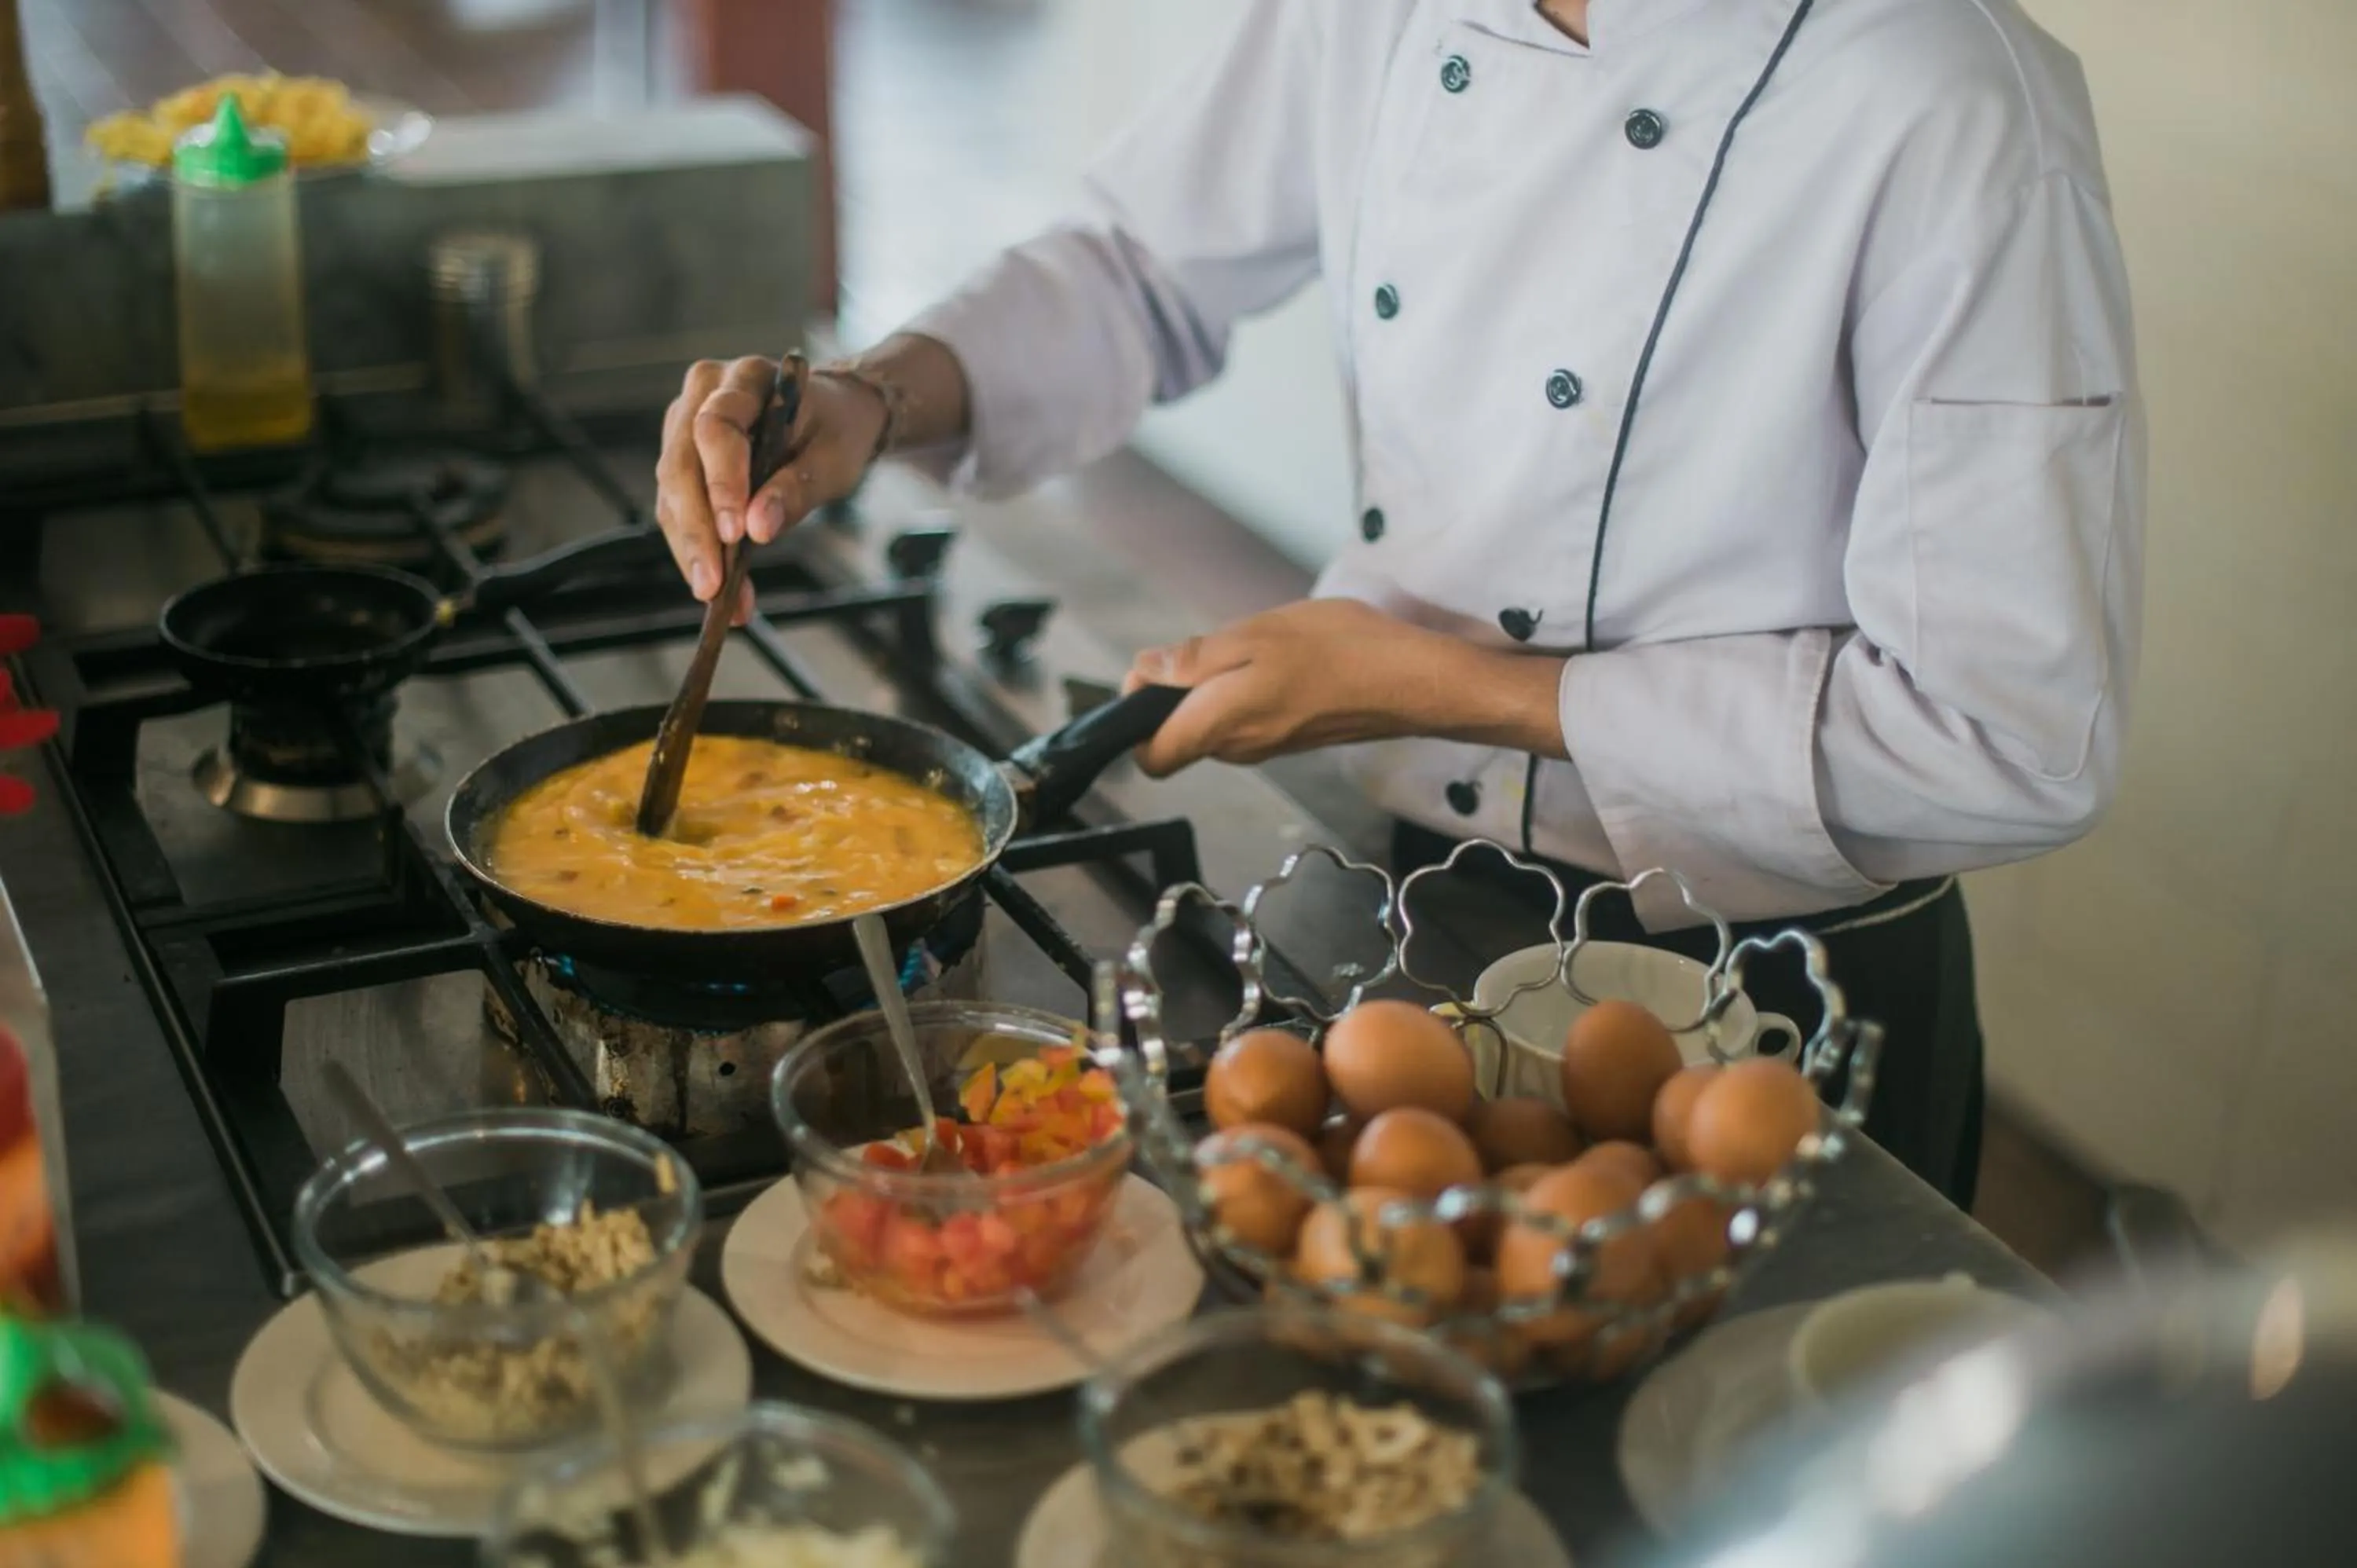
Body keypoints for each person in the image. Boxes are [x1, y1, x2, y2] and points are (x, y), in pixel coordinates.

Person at [651, 0, 2145, 1209]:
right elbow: (1138, 267)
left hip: (1774, 978)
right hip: (1424, 897)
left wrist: (1425, 681)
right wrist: (870, 396)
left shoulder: (1952, 97)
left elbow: (1999, 739)